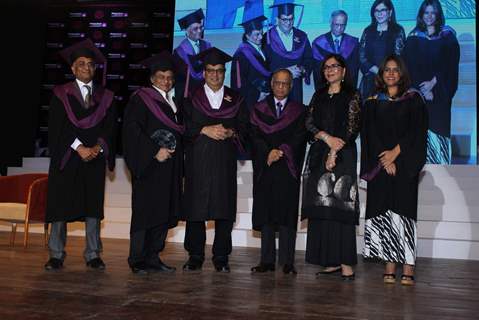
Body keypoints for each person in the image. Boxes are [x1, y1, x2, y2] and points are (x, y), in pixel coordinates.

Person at [44, 39, 117, 270]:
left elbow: (110, 127)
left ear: (95, 69)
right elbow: (57, 128)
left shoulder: (106, 97)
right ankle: (56, 254)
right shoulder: (60, 94)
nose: (87, 68)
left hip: (93, 158)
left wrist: (97, 148)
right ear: (73, 68)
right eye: (81, 64)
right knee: (60, 204)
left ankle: (93, 253)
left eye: (91, 64)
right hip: (67, 157)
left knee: (92, 205)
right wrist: (79, 147)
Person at [360, 55, 428, 286]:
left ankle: (408, 266)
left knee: (404, 214)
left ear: (402, 74)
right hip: (381, 167)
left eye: (395, 70)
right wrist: (384, 159)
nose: (390, 73)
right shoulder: (371, 102)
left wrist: (396, 154)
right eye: (387, 70)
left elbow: (417, 132)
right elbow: (370, 135)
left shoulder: (414, 100)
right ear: (381, 74)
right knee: (385, 214)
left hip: (404, 166)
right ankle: (389, 265)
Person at [181, 47, 249, 273]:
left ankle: (221, 257)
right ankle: (195, 255)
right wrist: (204, 129)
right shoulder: (191, 98)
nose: (215, 75)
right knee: (195, 209)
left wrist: (231, 133)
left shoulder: (236, 99)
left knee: (223, 209)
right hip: (198, 160)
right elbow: (183, 127)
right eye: (211, 70)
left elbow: (244, 127)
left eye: (220, 71)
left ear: (225, 71)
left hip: (223, 161)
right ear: (204, 72)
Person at [122, 52, 185, 274]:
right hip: (149, 166)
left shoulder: (174, 103)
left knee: (162, 212)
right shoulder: (142, 98)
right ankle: (137, 259)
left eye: (169, 77)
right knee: (145, 212)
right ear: (152, 79)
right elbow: (132, 130)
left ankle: (153, 257)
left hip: (169, 166)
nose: (166, 81)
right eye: (161, 77)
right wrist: (153, 152)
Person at [301, 54, 361, 280]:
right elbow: (308, 122)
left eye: (335, 66)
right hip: (319, 153)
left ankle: (346, 264)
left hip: (343, 154)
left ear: (344, 71)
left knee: (340, 205)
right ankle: (329, 260)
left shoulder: (352, 95)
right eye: (326, 67)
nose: (330, 70)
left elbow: (353, 127)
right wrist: (326, 139)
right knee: (322, 206)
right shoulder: (318, 94)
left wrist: (334, 151)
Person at [249, 69, 307, 275]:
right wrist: (267, 153)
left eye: (286, 84)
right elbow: (254, 136)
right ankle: (266, 261)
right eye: (278, 83)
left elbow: (300, 137)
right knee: (266, 214)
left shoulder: (300, 110)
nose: (281, 87)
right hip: (266, 167)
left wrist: (282, 151)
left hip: (287, 168)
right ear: (271, 84)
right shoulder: (258, 109)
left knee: (286, 215)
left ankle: (287, 261)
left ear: (291, 87)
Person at [403, 0, 460, 164]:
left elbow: (450, 64)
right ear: (421, 15)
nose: (429, 16)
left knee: (438, 128)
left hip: (440, 94)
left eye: (432, 13)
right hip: (418, 93)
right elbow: (408, 66)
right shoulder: (413, 37)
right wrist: (420, 91)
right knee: (417, 129)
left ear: (438, 15)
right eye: (426, 13)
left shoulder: (448, 37)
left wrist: (433, 84)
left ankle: (442, 167)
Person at [264, 1, 313, 104]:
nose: (288, 22)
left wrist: (302, 69)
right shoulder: (268, 38)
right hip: (277, 86)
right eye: (284, 19)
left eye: (291, 19)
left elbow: (309, 59)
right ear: (277, 20)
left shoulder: (302, 36)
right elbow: (264, 65)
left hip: (295, 87)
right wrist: (285, 71)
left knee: (295, 115)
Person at [358, 0, 405, 100]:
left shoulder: (397, 30)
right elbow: (362, 57)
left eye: (383, 10)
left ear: (390, 12)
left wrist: (385, 72)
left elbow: (398, 56)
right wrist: (375, 70)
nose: (379, 13)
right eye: (376, 10)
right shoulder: (368, 30)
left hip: (390, 79)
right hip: (370, 79)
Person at [311, 10, 359, 90]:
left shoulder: (353, 42)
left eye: (342, 25)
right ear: (330, 22)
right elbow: (318, 71)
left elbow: (354, 69)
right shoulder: (319, 43)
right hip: (326, 87)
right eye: (336, 24)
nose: (339, 28)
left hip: (346, 87)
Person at [231, 15, 271, 111]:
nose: (261, 37)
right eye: (257, 34)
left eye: (262, 33)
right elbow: (239, 83)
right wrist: (257, 94)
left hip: (266, 97)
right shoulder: (241, 55)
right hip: (251, 101)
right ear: (247, 35)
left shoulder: (262, 49)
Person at [173, 9, 212, 100]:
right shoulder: (179, 52)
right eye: (195, 29)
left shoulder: (207, 46)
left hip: (205, 91)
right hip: (188, 93)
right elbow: (179, 79)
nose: (199, 31)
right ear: (187, 31)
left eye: (201, 27)